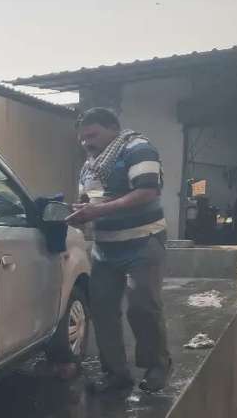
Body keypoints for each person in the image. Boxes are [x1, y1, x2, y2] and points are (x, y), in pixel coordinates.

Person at [66, 107, 172, 393]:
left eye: (92, 135)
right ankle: (116, 373)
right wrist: (80, 210)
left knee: (142, 305)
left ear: (113, 128)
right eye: (82, 138)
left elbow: (147, 191)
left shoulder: (138, 149)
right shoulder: (91, 164)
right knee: (102, 309)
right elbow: (89, 199)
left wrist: (98, 210)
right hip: (106, 247)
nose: (86, 143)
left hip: (142, 241)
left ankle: (157, 366)